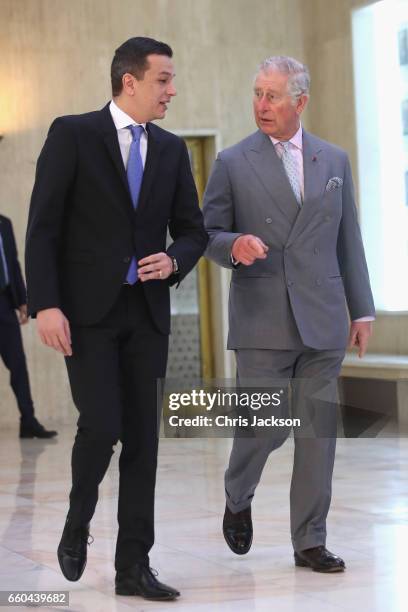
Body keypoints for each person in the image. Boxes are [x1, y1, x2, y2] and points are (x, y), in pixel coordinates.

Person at [25, 36, 208, 600]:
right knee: (101, 425)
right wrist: (47, 304)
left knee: (143, 445)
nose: (171, 91)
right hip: (88, 316)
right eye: (163, 80)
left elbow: (194, 230)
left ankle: (134, 567)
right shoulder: (73, 134)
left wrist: (174, 258)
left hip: (147, 314)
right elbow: (44, 227)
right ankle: (78, 522)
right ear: (129, 81)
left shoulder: (173, 151)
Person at [203, 55, 375, 573]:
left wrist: (361, 310)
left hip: (323, 318)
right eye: (257, 93)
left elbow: (350, 240)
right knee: (265, 428)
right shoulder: (232, 162)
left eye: (272, 95)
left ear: (300, 101)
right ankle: (238, 493)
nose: (261, 105)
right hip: (263, 319)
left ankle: (309, 541)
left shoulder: (334, 160)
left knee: (317, 435)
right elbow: (206, 234)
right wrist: (236, 245)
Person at [0, 214, 57, 439]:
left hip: (4, 303)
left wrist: (23, 300)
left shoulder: (5, 223)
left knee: (18, 365)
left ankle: (29, 421)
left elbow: (12, 262)